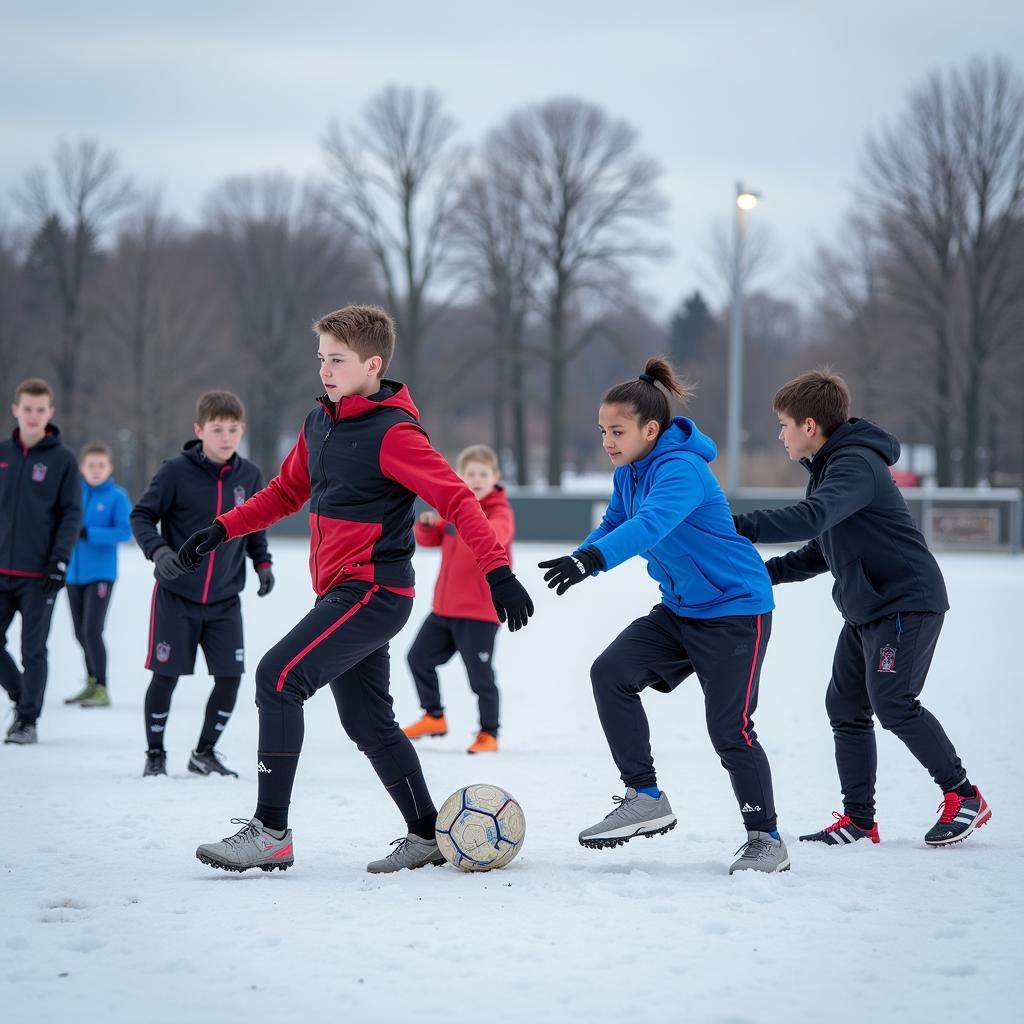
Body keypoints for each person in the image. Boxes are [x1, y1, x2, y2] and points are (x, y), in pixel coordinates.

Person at [183, 305, 533, 875]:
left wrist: (498, 572)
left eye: (337, 360)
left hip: (374, 589)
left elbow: (457, 500)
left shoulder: (394, 432)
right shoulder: (319, 421)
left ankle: (271, 831)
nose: (324, 369)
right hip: (340, 592)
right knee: (367, 722)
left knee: (278, 676)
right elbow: (284, 492)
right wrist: (222, 528)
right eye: (321, 358)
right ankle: (424, 833)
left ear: (372, 364)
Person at [541, 358, 788, 875]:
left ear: (650, 429)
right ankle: (645, 795)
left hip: (735, 610)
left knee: (730, 730)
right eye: (602, 431)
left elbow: (651, 525)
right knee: (611, 673)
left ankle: (765, 838)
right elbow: (614, 523)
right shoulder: (629, 473)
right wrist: (581, 558)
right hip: (680, 610)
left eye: (617, 431)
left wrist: (591, 560)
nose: (607, 441)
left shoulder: (682, 470)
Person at [733, 369, 989, 848]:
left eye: (784, 424)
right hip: (867, 608)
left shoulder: (854, 465)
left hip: (905, 602)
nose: (780, 434)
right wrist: (753, 574)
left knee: (892, 703)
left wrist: (735, 527)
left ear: (810, 426)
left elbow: (811, 518)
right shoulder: (830, 470)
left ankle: (964, 795)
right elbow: (819, 550)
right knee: (846, 706)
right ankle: (859, 821)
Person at [130, 390, 274, 779]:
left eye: (232, 429)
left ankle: (204, 753)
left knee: (230, 678)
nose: (226, 437)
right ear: (199, 430)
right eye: (217, 429)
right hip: (177, 596)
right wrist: (159, 552)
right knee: (166, 676)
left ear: (242, 430)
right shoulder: (175, 471)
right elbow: (142, 516)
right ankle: (155, 753)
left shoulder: (251, 475)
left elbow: (255, 525)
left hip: (226, 599)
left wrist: (262, 563)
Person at [403, 444, 514, 754]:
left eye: (483, 474)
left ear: (495, 477)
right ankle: (434, 716)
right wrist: (425, 526)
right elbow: (432, 539)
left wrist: (466, 518)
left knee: (480, 678)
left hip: (479, 613)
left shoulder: (500, 511)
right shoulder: (455, 508)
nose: (476, 479)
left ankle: (489, 734)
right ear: (460, 478)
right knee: (417, 659)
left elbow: (495, 537)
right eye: (470, 474)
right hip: (444, 609)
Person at [0, 378, 81, 745]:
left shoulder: (62, 460)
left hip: (39, 575)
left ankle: (27, 722)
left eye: (40, 409)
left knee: (33, 649)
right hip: (1, 569)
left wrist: (59, 562)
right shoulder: (3, 453)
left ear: (50, 413)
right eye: (27, 408)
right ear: (16, 410)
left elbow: (70, 515)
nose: (33, 415)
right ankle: (22, 697)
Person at [64, 442, 133, 708]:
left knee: (92, 630)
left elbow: (125, 532)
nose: (96, 470)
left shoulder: (116, 496)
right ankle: (92, 682)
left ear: (110, 468)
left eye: (101, 465)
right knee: (80, 633)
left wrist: (89, 533)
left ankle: (102, 687)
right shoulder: (72, 494)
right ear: (81, 468)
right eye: (91, 465)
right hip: (73, 574)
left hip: (101, 574)